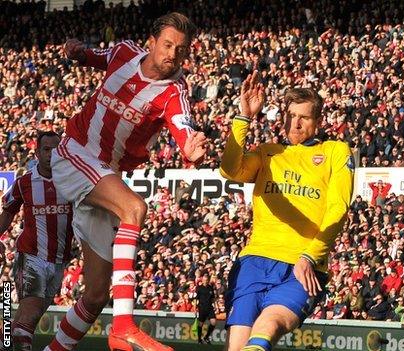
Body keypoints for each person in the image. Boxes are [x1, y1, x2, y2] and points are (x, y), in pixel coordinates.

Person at [46, 12, 207, 351]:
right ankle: (123, 327)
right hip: (74, 152)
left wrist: (191, 147)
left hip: (104, 179)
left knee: (94, 296)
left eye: (181, 49)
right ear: (151, 43)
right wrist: (77, 52)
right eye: (167, 45)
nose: (173, 54)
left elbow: (183, 127)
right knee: (134, 207)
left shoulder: (175, 92)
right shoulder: (123, 53)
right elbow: (93, 57)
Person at [219, 73, 354, 351]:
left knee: (270, 325)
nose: (296, 122)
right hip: (254, 262)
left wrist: (310, 255)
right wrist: (244, 118)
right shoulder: (268, 152)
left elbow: (338, 207)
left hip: (301, 266)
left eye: (304, 117)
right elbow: (230, 169)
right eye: (291, 115)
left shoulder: (335, 152)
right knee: (237, 346)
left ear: (318, 121)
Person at [0, 131, 72, 351]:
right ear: (38, 153)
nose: (51, 154)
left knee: (26, 321)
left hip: (59, 260)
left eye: (55, 149)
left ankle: (4, 341)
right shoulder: (25, 182)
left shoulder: (73, 180)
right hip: (30, 255)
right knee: (28, 319)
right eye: (46, 149)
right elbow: (8, 211)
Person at [196, 275, 217, 344]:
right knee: (200, 324)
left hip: (210, 308)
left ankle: (206, 337)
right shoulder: (199, 288)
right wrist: (195, 308)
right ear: (202, 280)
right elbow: (196, 298)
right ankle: (199, 340)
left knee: (213, 322)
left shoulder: (210, 287)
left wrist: (216, 306)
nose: (206, 281)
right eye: (204, 280)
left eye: (207, 279)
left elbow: (213, 298)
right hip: (202, 308)